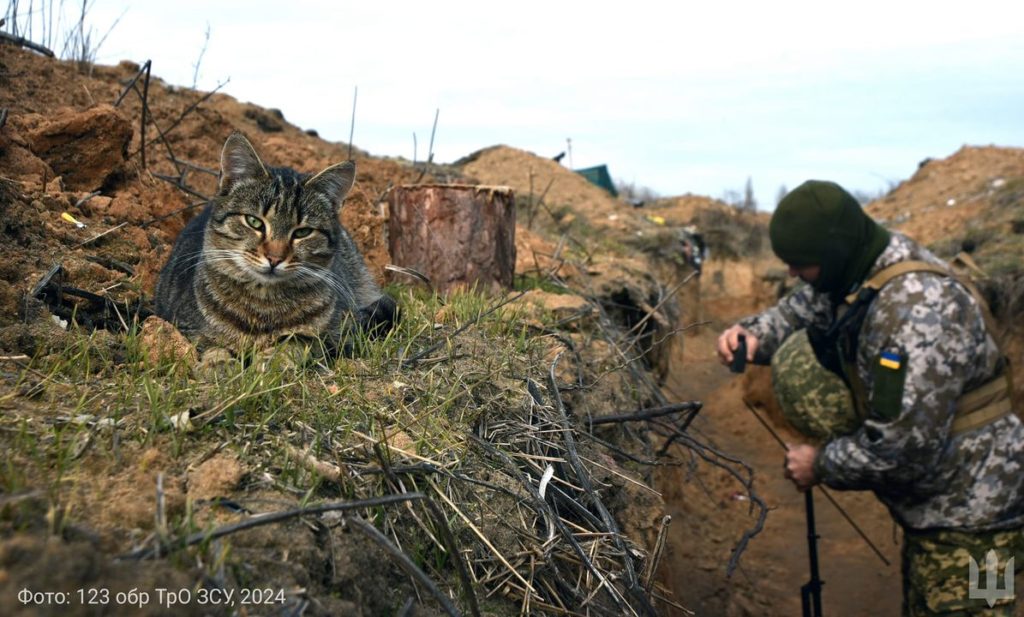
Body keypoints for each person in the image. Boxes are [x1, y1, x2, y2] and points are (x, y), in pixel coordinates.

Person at [716, 180, 1024, 616]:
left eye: (801, 264)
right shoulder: (861, 266)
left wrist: (818, 464)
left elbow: (905, 447)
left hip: (979, 520)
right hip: (939, 511)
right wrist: (752, 334)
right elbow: (800, 307)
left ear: (834, 252)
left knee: (980, 606)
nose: (791, 274)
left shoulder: (915, 310)